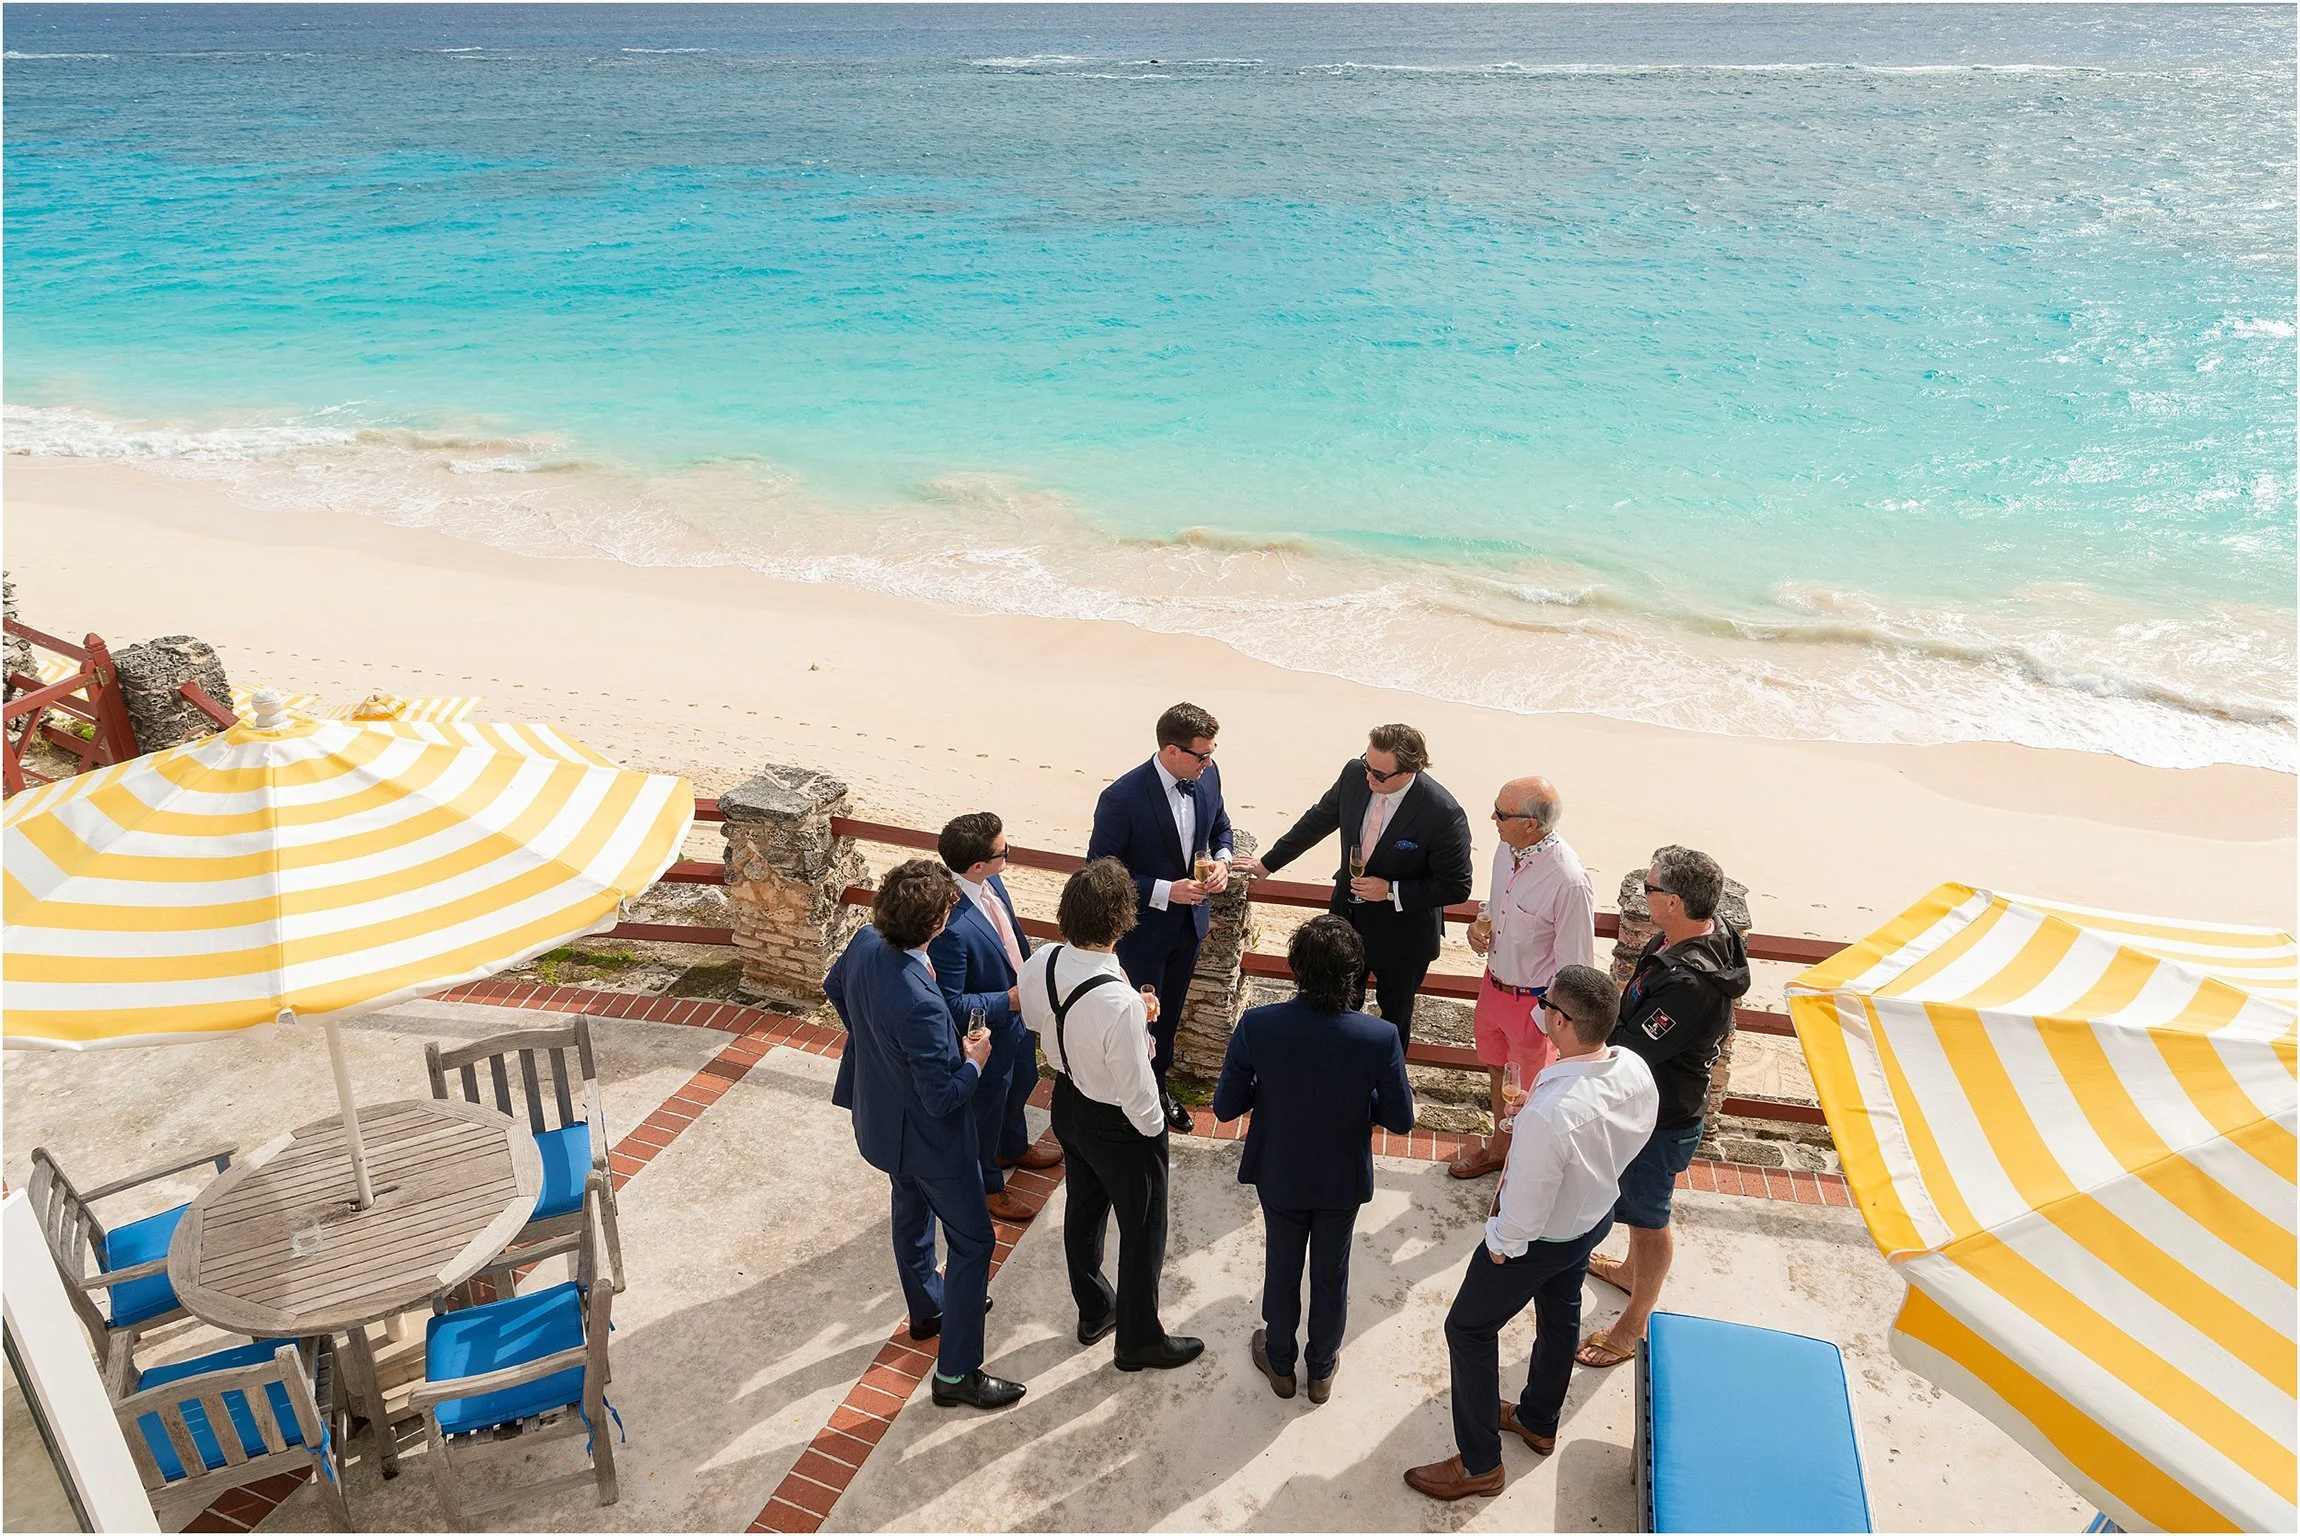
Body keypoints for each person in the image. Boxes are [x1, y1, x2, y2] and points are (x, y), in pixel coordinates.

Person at [1403, 965, 1655, 1500]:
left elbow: (1525, 1204)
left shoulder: (1553, 1115)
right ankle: (1539, 1420)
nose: (1540, 1008)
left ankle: (1480, 1465)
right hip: (1591, 1219)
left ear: (1561, 1022)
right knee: (1560, 1314)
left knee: (1468, 1330)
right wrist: (1535, 1117)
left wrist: (1500, 1247)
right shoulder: (1633, 1068)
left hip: (1539, 1239)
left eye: (1546, 1003)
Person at [825, 859, 1024, 1410]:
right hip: (933, 1143)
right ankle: (956, 1374)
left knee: (911, 1216)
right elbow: (942, 1097)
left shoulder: (864, 942)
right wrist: (975, 1060)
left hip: (883, 1125)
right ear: (936, 925)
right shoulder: (920, 1002)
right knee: (974, 1242)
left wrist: (875, 1044)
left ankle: (928, 1309)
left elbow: (834, 987)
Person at [1213, 914, 1415, 1405]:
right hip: (1341, 1176)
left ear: (1296, 969)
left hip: (1279, 1169)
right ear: (1355, 974)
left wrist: (1269, 1091)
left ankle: (1279, 1362)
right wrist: (1359, 1100)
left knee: (1282, 1266)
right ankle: (1321, 1370)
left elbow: (1224, 1107)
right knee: (1331, 1273)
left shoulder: (1259, 1025)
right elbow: (1401, 1119)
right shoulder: (1380, 1036)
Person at [1020, 857, 1205, 1372]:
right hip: (1118, 1123)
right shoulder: (1119, 1003)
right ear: (1124, 920)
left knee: (1083, 1210)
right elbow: (1138, 1090)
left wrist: (1128, 1014)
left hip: (1067, 1102)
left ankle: (1095, 1309)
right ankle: (1139, 1341)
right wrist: (1155, 1133)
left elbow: (1035, 1018)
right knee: (1143, 1231)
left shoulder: (1044, 961)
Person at [1575, 846, 1748, 1371]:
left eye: (1649, 889)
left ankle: (1634, 1323)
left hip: (1662, 1117)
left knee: (1651, 1218)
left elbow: (1633, 1049)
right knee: (1637, 1206)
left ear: (1674, 901)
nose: (1642, 895)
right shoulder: (1697, 936)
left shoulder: (1689, 983)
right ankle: (1630, 1272)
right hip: (1652, 1106)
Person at [1239, 724, 1473, 1043]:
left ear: (1409, 772)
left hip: (1404, 937)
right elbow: (1317, 821)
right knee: (1333, 1012)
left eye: (1378, 774)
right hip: (1346, 920)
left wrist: (1390, 891)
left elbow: (1457, 886)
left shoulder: (1443, 813)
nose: (1368, 777)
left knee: (1394, 1023)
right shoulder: (1355, 774)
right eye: (1367, 764)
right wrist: (1268, 863)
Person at [1086, 701, 1234, 1134]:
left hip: (1190, 929)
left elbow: (1221, 827)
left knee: (1167, 1019)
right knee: (1135, 1020)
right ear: (1172, 751)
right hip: (1142, 935)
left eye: (1211, 753)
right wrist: (1166, 891)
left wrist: (1223, 861)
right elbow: (1100, 870)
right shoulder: (1121, 798)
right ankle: (1124, 1098)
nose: (1209, 763)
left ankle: (1158, 1088)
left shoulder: (1208, 777)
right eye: (1201, 755)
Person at [1447, 776, 1596, 1180]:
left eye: (1501, 813)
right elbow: (1497, 907)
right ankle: (1501, 1151)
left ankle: (1525, 1175)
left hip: (1533, 1002)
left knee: (1530, 1093)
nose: (1492, 818)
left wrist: (1541, 1020)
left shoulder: (1569, 880)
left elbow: (1575, 967)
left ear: (1530, 824)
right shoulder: (1506, 847)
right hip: (1493, 987)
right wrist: (1478, 930)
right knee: (1497, 1072)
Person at [930, 811, 1060, 1224]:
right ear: (977, 866)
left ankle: (1012, 1147)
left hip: (1018, 1019)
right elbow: (950, 1004)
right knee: (986, 1111)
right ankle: (988, 1186)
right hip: (992, 1028)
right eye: (1005, 851)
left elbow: (1010, 940)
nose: (1009, 855)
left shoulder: (992, 882)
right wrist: (1009, 1000)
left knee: (1021, 1082)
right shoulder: (950, 924)